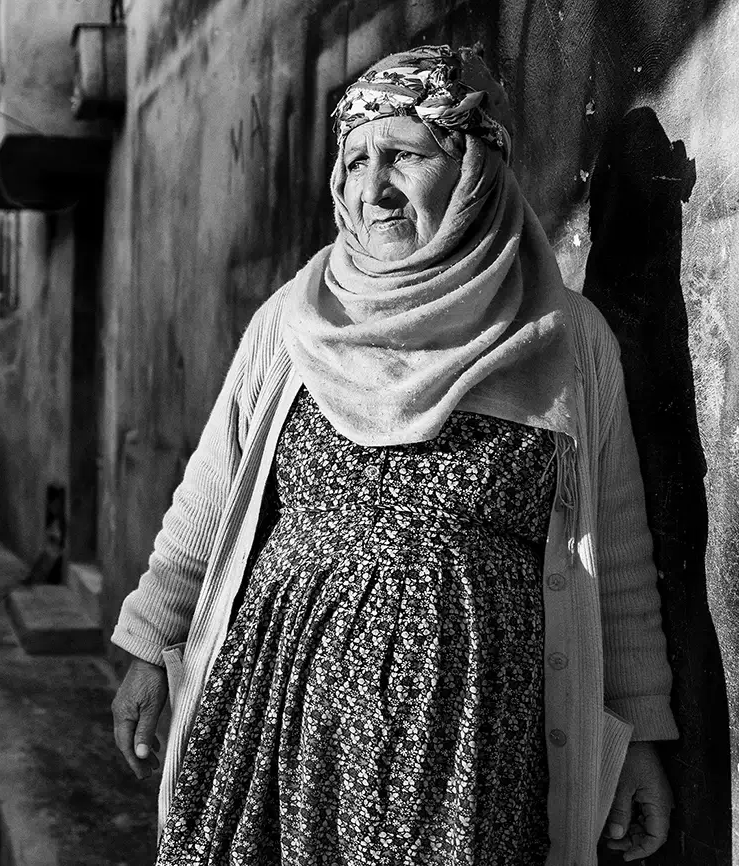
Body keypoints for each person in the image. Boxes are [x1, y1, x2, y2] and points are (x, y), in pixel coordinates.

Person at [110, 45, 676, 866]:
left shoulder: (565, 340)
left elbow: (615, 552)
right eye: (354, 162)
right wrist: (146, 648)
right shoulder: (294, 320)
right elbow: (211, 497)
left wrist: (639, 733)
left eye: (405, 156)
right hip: (280, 723)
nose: (371, 189)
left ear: (476, 168)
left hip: (474, 746)